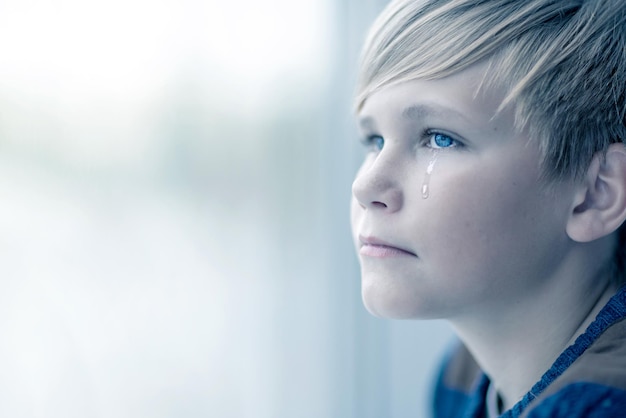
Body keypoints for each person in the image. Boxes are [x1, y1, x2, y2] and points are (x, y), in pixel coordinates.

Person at [349, 0, 626, 417]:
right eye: (375, 141)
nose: (365, 186)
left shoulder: (603, 404)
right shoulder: (463, 375)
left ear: (595, 193)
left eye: (439, 138)